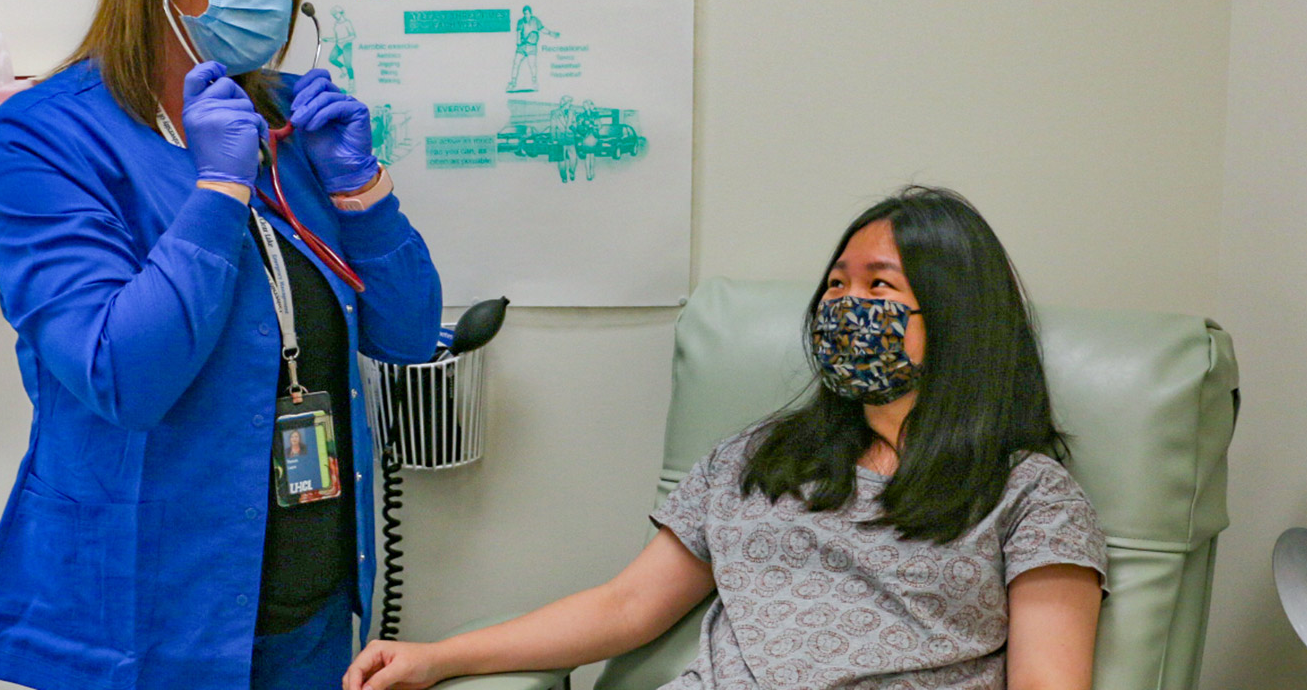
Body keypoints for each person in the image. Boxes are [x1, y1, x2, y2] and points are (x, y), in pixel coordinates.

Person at [0, 0, 444, 690]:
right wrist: (218, 188)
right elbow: (123, 378)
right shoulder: (44, 138)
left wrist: (363, 190)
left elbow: (406, 332)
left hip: (309, 605)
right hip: (145, 617)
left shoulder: (290, 121)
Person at [346, 187, 1106, 690]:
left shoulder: (1028, 493)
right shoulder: (761, 458)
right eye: (837, 285)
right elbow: (625, 607)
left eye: (881, 287)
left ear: (957, 317)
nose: (846, 305)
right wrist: (436, 658)